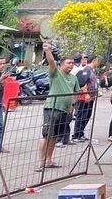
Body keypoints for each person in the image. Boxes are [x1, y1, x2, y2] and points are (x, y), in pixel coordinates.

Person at [37, 42, 78, 172]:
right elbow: (51, 63)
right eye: (68, 63)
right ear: (62, 64)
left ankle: (49, 160)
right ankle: (40, 162)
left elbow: (75, 93)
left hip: (64, 110)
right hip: (52, 108)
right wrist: (48, 50)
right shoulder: (56, 73)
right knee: (46, 135)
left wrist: (72, 105)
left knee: (55, 137)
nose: (71, 65)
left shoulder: (74, 78)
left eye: (72, 63)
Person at [72, 55, 98, 142]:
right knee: (81, 116)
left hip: (91, 97)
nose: (98, 63)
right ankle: (76, 135)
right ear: (94, 60)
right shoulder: (87, 70)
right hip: (84, 97)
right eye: (97, 61)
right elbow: (83, 83)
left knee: (87, 115)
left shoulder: (92, 70)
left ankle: (81, 133)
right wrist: (86, 94)